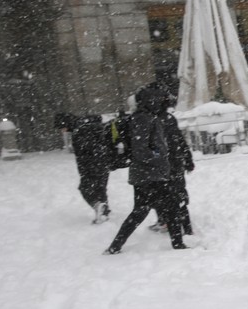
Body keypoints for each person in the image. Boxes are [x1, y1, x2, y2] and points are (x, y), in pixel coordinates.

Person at [103, 84, 187, 254]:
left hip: (148, 174)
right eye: (158, 100)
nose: (162, 103)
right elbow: (141, 150)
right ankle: (178, 244)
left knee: (146, 211)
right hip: (149, 174)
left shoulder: (146, 116)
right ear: (151, 101)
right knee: (163, 208)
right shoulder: (143, 118)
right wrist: (159, 156)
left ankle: (115, 246)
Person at [149, 85, 195, 235]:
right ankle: (185, 228)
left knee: (163, 196)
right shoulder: (168, 118)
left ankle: (167, 222)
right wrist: (187, 158)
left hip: (164, 164)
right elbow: (179, 140)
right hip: (175, 162)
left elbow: (176, 140)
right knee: (178, 194)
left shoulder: (152, 120)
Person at [54, 112, 112, 223]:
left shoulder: (79, 131)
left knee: (84, 188)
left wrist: (85, 170)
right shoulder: (91, 124)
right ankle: (104, 212)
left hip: (91, 164)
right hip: (104, 161)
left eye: (62, 128)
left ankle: (98, 206)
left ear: (66, 123)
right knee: (101, 188)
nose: (63, 131)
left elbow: (83, 153)